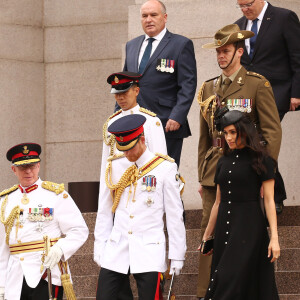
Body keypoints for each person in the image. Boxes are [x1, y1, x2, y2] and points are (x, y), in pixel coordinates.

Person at [196, 24, 282, 299]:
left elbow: (271, 131)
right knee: (212, 234)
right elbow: (204, 137)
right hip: (216, 171)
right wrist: (202, 175)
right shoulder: (208, 87)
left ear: (239, 52)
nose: (221, 56)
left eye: (226, 51)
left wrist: (261, 170)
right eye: (218, 52)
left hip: (248, 173)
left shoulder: (257, 84)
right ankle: (207, 292)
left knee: (246, 236)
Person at [94, 114, 186, 300]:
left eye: (130, 148)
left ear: (142, 140)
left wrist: (177, 254)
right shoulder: (117, 165)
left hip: (149, 249)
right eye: (123, 149)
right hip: (117, 247)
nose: (126, 154)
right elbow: (105, 208)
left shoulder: (165, 168)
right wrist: (99, 244)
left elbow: (175, 214)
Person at [95, 71, 168, 299]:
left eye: (125, 92)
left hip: (146, 205)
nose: (120, 98)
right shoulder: (110, 125)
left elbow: (162, 170)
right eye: (117, 93)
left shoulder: (151, 122)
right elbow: (105, 185)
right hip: (121, 205)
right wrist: (100, 239)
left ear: (137, 90)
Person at [199, 109, 280, 300]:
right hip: (224, 227)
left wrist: (274, 238)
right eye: (225, 133)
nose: (228, 137)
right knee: (225, 279)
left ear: (245, 131)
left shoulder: (263, 160)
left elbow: (269, 200)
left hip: (249, 227)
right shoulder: (222, 161)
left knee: (232, 279)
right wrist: (206, 236)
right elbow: (218, 202)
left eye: (233, 132)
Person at [0, 143, 89, 300]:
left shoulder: (55, 195)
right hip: (15, 276)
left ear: (39, 166)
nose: (28, 171)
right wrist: (1, 283)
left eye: (32, 166)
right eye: (23, 167)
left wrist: (60, 248)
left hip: (45, 272)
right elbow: (3, 247)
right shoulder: (5, 201)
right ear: (14, 170)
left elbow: (79, 230)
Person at [235, 0, 300, 213]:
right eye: (241, 5)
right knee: (255, 140)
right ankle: (272, 192)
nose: (245, 9)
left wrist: (296, 92)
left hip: (277, 92)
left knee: (262, 137)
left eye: (248, 4)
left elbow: (297, 57)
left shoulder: (284, 17)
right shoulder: (239, 25)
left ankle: (275, 196)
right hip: (249, 95)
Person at [122, 0, 197, 166]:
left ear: (164, 17)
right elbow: (125, 85)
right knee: (136, 178)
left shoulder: (180, 44)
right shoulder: (132, 46)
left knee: (163, 177)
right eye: (144, 16)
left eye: (153, 15)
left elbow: (188, 85)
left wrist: (178, 115)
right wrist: (118, 116)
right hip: (135, 125)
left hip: (166, 124)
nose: (149, 19)